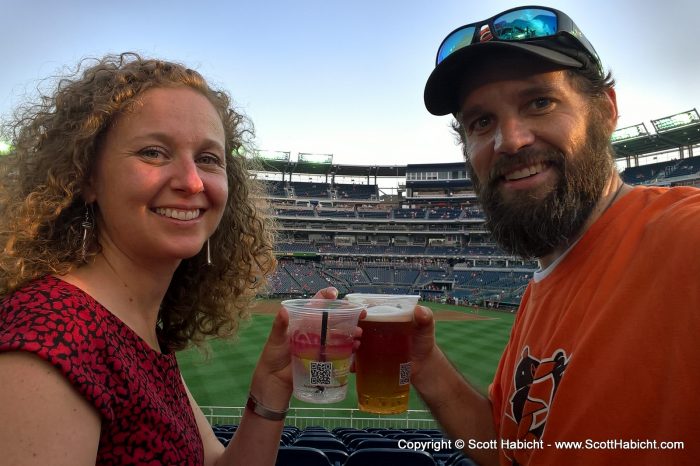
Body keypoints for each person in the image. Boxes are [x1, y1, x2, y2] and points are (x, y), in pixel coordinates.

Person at [0, 53, 349, 465]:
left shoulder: (136, 329)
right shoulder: (52, 336)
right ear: (87, 177)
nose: (191, 181)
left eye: (208, 158)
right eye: (153, 152)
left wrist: (271, 386)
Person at [409, 5, 700, 466]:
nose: (510, 140)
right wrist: (425, 367)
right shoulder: (540, 291)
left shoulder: (686, 239)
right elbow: (512, 449)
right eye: (481, 121)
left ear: (605, 110)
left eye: (539, 102)